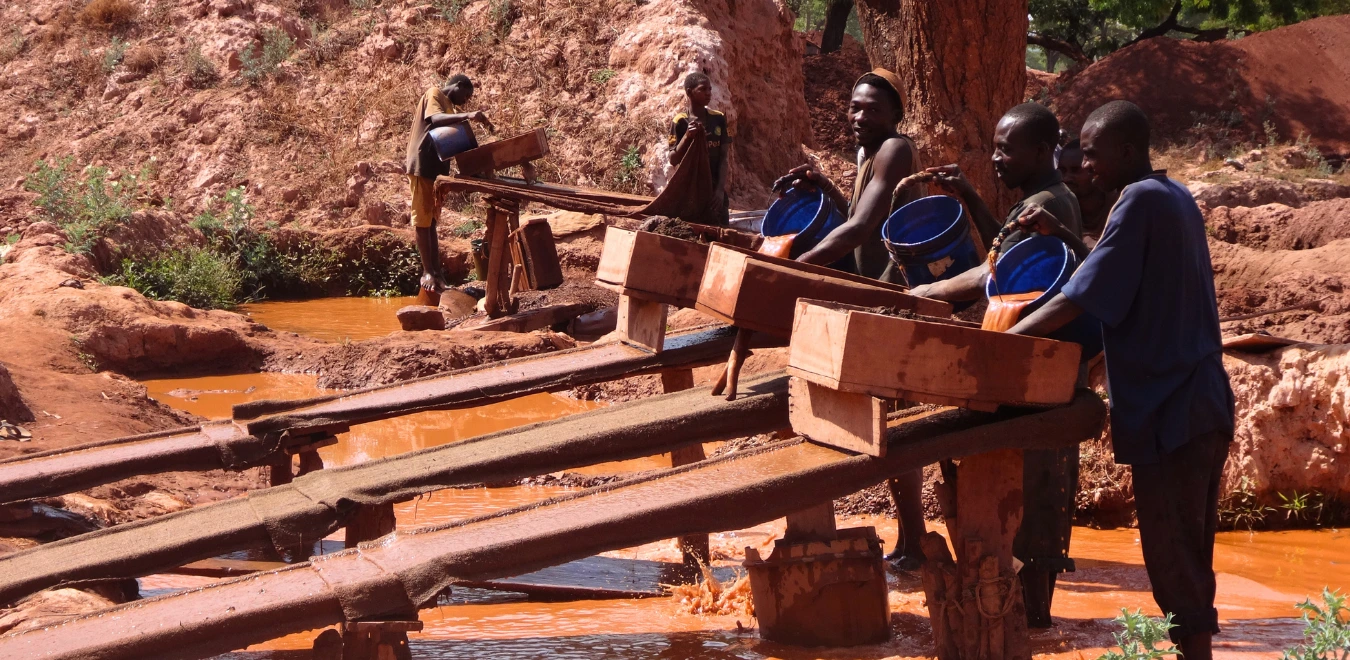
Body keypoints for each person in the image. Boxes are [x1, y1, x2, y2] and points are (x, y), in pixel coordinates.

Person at [1009, 101, 1234, 660]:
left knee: (1173, 555)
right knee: (1189, 552)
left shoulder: (1136, 201)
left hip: (1173, 412)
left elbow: (1076, 296)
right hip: (1201, 403)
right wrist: (1066, 234)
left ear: (1127, 151)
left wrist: (1006, 338)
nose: (1083, 167)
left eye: (1092, 154)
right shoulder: (1172, 196)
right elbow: (1115, 277)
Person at [773, 68, 926, 566]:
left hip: (896, 295)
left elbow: (861, 229)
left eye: (872, 110)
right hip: (872, 291)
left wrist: (795, 265)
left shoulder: (895, 149)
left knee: (894, 420)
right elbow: (861, 212)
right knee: (885, 416)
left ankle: (917, 539)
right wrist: (825, 187)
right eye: (855, 107)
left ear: (895, 116)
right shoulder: (868, 153)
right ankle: (912, 540)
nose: (859, 116)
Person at [906, 102, 1085, 306]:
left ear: (1040, 152)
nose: (994, 158)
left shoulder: (1041, 204)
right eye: (995, 148)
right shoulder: (1060, 194)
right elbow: (1005, 249)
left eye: (1005, 149)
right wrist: (968, 193)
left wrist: (927, 290)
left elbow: (992, 274)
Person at [405, 73, 495, 294]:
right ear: (457, 85)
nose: (466, 100)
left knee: (432, 222)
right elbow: (434, 119)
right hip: (422, 164)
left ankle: (437, 274)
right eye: (466, 95)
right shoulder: (434, 94)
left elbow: (456, 143)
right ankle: (427, 272)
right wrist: (470, 115)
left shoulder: (451, 110)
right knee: (422, 221)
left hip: (436, 170)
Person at [669, 72, 733, 226]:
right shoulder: (680, 121)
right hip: (689, 191)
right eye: (703, 89)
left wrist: (719, 190)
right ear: (690, 92)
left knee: (719, 234)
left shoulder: (718, 119)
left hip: (713, 193)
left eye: (710, 89)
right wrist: (687, 137)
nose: (708, 93)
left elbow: (724, 158)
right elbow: (673, 159)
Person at [1058, 138, 1117, 245]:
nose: (1066, 178)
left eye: (1075, 170)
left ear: (1094, 169)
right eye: (1062, 171)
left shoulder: (1118, 205)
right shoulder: (1061, 209)